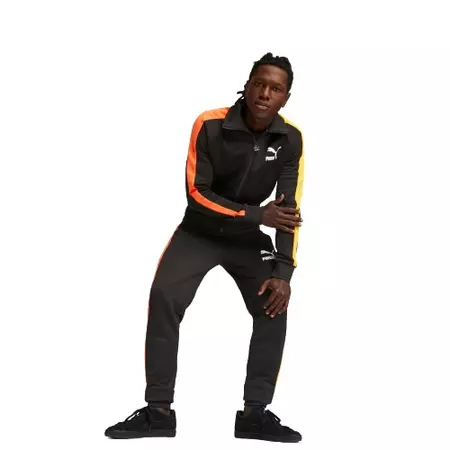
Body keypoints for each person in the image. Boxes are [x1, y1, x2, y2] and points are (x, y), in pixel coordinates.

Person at [104, 52, 305, 443]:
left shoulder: (290, 139)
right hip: (199, 232)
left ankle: (255, 414)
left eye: (275, 88)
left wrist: (284, 273)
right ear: (247, 86)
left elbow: (287, 213)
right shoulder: (210, 124)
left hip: (247, 240)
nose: (265, 94)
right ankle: (158, 412)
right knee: (164, 297)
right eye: (259, 84)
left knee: (274, 303)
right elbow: (197, 194)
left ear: (285, 98)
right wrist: (255, 214)